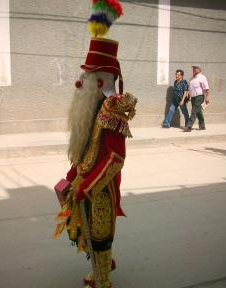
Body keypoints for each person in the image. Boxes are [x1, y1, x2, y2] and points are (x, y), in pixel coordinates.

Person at [53, 2, 137, 287]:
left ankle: (102, 281)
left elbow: (115, 158)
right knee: (84, 231)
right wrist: (72, 176)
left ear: (101, 79)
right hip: (84, 184)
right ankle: (99, 270)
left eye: (88, 76)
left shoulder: (111, 110)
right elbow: (84, 148)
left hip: (99, 190)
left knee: (99, 236)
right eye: (84, 75)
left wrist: (88, 187)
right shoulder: (90, 108)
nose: (81, 82)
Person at [183, 65, 210, 132]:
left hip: (199, 97)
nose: (193, 70)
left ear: (199, 70)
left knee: (194, 111)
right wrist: (189, 96)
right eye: (193, 69)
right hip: (193, 97)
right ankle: (202, 126)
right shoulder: (192, 78)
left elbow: (206, 88)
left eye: (195, 68)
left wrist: (207, 97)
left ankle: (189, 126)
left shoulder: (202, 77)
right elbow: (190, 88)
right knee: (198, 112)